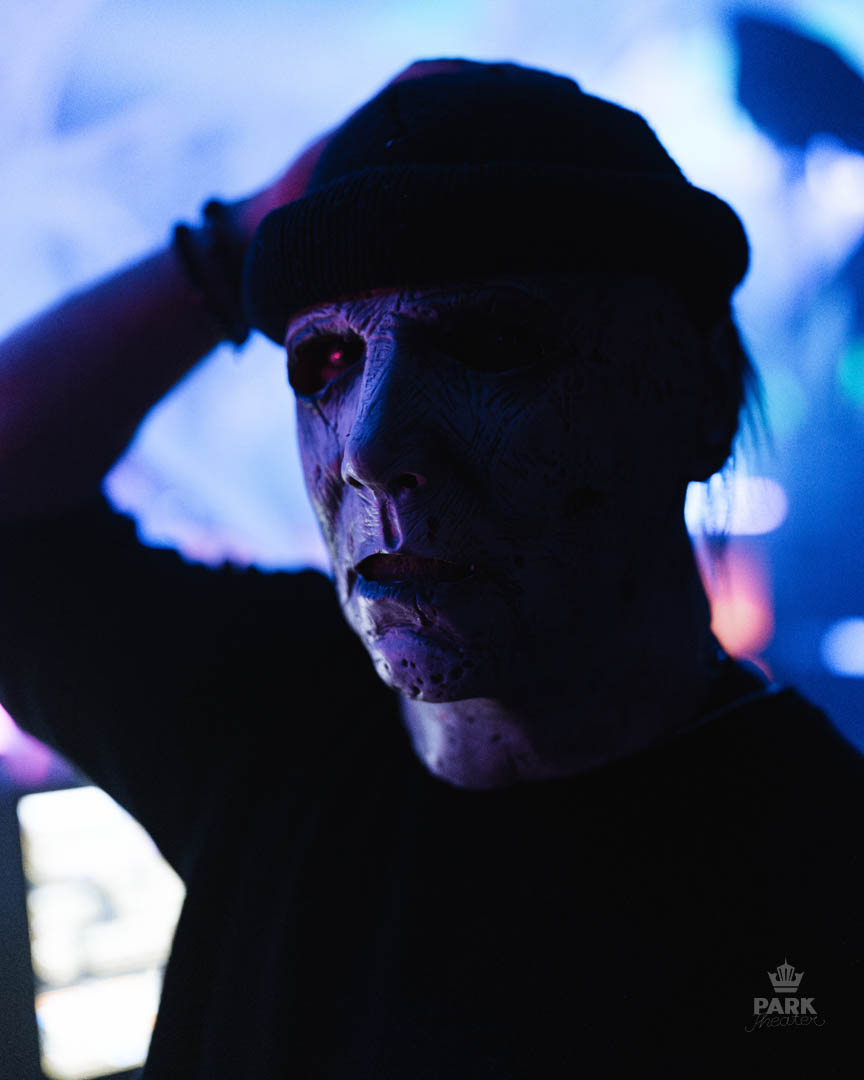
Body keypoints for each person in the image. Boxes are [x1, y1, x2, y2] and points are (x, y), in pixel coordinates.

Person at [0, 58, 861, 1077]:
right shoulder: (274, 712)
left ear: (699, 397)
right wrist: (239, 243)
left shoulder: (819, 886)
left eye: (491, 341)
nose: (369, 446)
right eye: (325, 362)